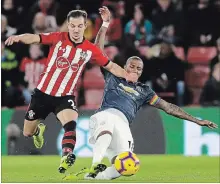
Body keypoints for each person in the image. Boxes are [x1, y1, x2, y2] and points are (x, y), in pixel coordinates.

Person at [64, 7, 218, 181]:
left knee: (127, 166)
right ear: (125, 66)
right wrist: (105, 24)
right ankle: (95, 164)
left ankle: (91, 178)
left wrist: (197, 120)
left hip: (123, 124)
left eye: (139, 68)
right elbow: (98, 51)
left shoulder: (144, 91)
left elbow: (168, 107)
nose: (135, 69)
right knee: (107, 127)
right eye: (132, 66)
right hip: (105, 114)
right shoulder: (113, 76)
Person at [5, 9, 137, 174]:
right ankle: (39, 130)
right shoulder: (58, 38)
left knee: (70, 124)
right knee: (27, 132)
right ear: (68, 25)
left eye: (80, 26)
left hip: (65, 96)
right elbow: (35, 38)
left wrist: (126, 75)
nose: (76, 29)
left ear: (84, 27)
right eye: (73, 26)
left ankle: (66, 156)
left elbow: (109, 65)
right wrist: (18, 37)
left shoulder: (90, 49)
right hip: (42, 94)